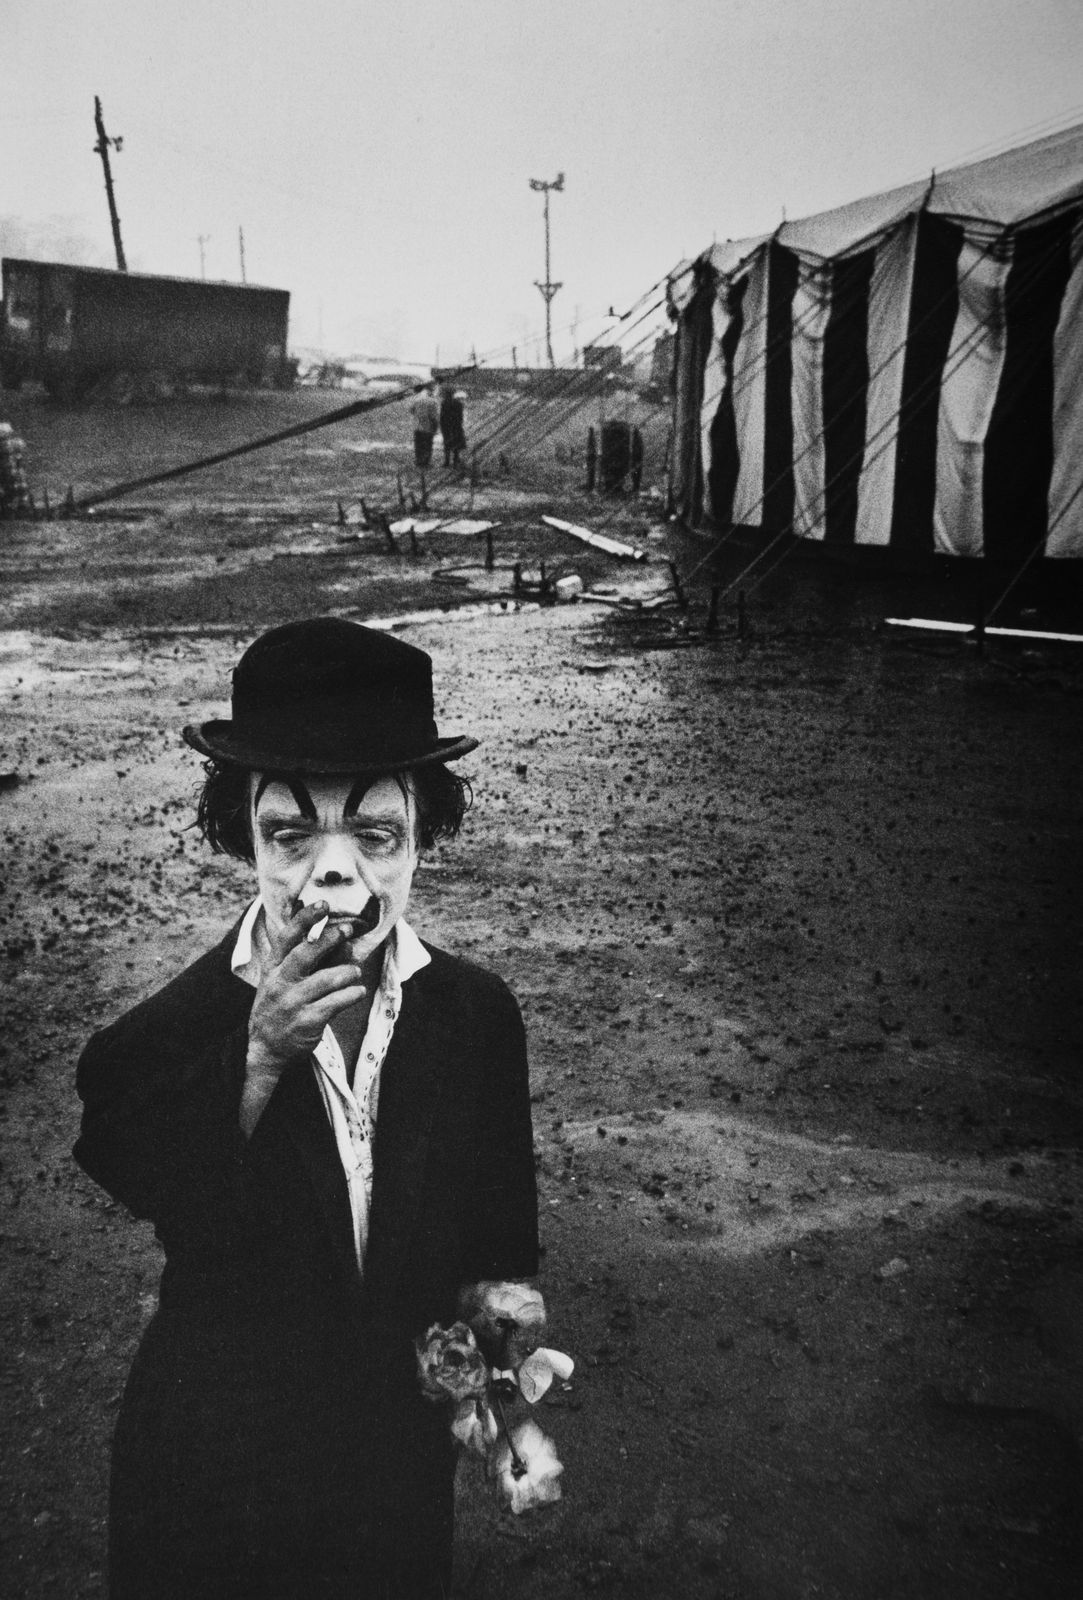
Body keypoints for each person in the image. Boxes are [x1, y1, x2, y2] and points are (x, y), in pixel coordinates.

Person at [74, 618, 540, 1599]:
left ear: (424, 835)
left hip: (391, 1480)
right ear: (242, 829)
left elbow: (497, 1240)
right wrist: (256, 1054)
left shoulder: (478, 1018)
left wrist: (501, 1393)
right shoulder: (173, 1033)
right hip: (211, 1477)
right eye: (291, 832)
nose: (334, 874)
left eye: (373, 832)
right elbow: (127, 1150)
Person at [410, 385, 439, 469]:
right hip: (428, 427)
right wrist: (435, 427)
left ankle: (418, 461)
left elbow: (411, 410)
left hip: (417, 426)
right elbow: (434, 417)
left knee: (418, 444)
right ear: (432, 392)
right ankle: (426, 462)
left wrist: (418, 415)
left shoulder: (417, 399)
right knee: (427, 445)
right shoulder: (433, 401)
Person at [439, 388, 467, 470]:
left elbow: (442, 416)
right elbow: (461, 416)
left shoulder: (444, 403)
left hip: (447, 426)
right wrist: (459, 424)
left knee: (447, 443)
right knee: (456, 443)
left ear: (447, 395)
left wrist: (442, 426)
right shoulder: (459, 403)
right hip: (456, 426)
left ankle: (447, 461)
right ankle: (455, 460)